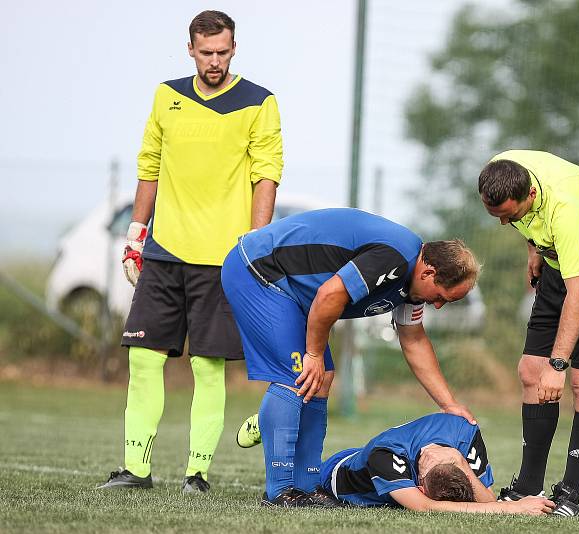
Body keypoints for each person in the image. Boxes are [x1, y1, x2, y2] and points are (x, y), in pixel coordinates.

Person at [98, 10, 283, 493]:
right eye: (206, 53)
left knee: (207, 366)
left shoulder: (259, 102)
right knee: (142, 359)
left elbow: (266, 175)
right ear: (191, 50)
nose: (215, 61)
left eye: (223, 52)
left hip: (222, 260)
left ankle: (196, 474)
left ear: (234, 48)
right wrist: (137, 234)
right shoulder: (167, 95)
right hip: (162, 253)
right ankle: (135, 470)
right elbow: (149, 166)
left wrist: (255, 246)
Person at [220, 207, 480, 507]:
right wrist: (314, 354)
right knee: (299, 374)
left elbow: (414, 340)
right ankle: (279, 490)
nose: (437, 306)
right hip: (258, 271)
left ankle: (306, 485)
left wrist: (449, 405)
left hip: (290, 290)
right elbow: (330, 295)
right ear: (428, 273)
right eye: (441, 297)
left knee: (323, 379)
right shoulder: (396, 258)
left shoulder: (413, 284)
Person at [477, 150, 579, 517]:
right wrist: (536, 247)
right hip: (558, 262)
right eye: (497, 216)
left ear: (531, 196)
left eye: (510, 215)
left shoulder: (565, 209)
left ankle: (569, 493)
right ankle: (528, 486)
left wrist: (558, 364)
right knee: (529, 372)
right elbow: (525, 221)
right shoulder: (502, 169)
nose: (505, 224)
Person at [237, 412, 554, 514]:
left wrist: (463, 467)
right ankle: (270, 419)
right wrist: (511, 507)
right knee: (297, 477)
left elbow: (482, 496)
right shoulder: (387, 455)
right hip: (340, 474)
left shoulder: (466, 434)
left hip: (379, 461)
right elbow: (424, 507)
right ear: (419, 483)